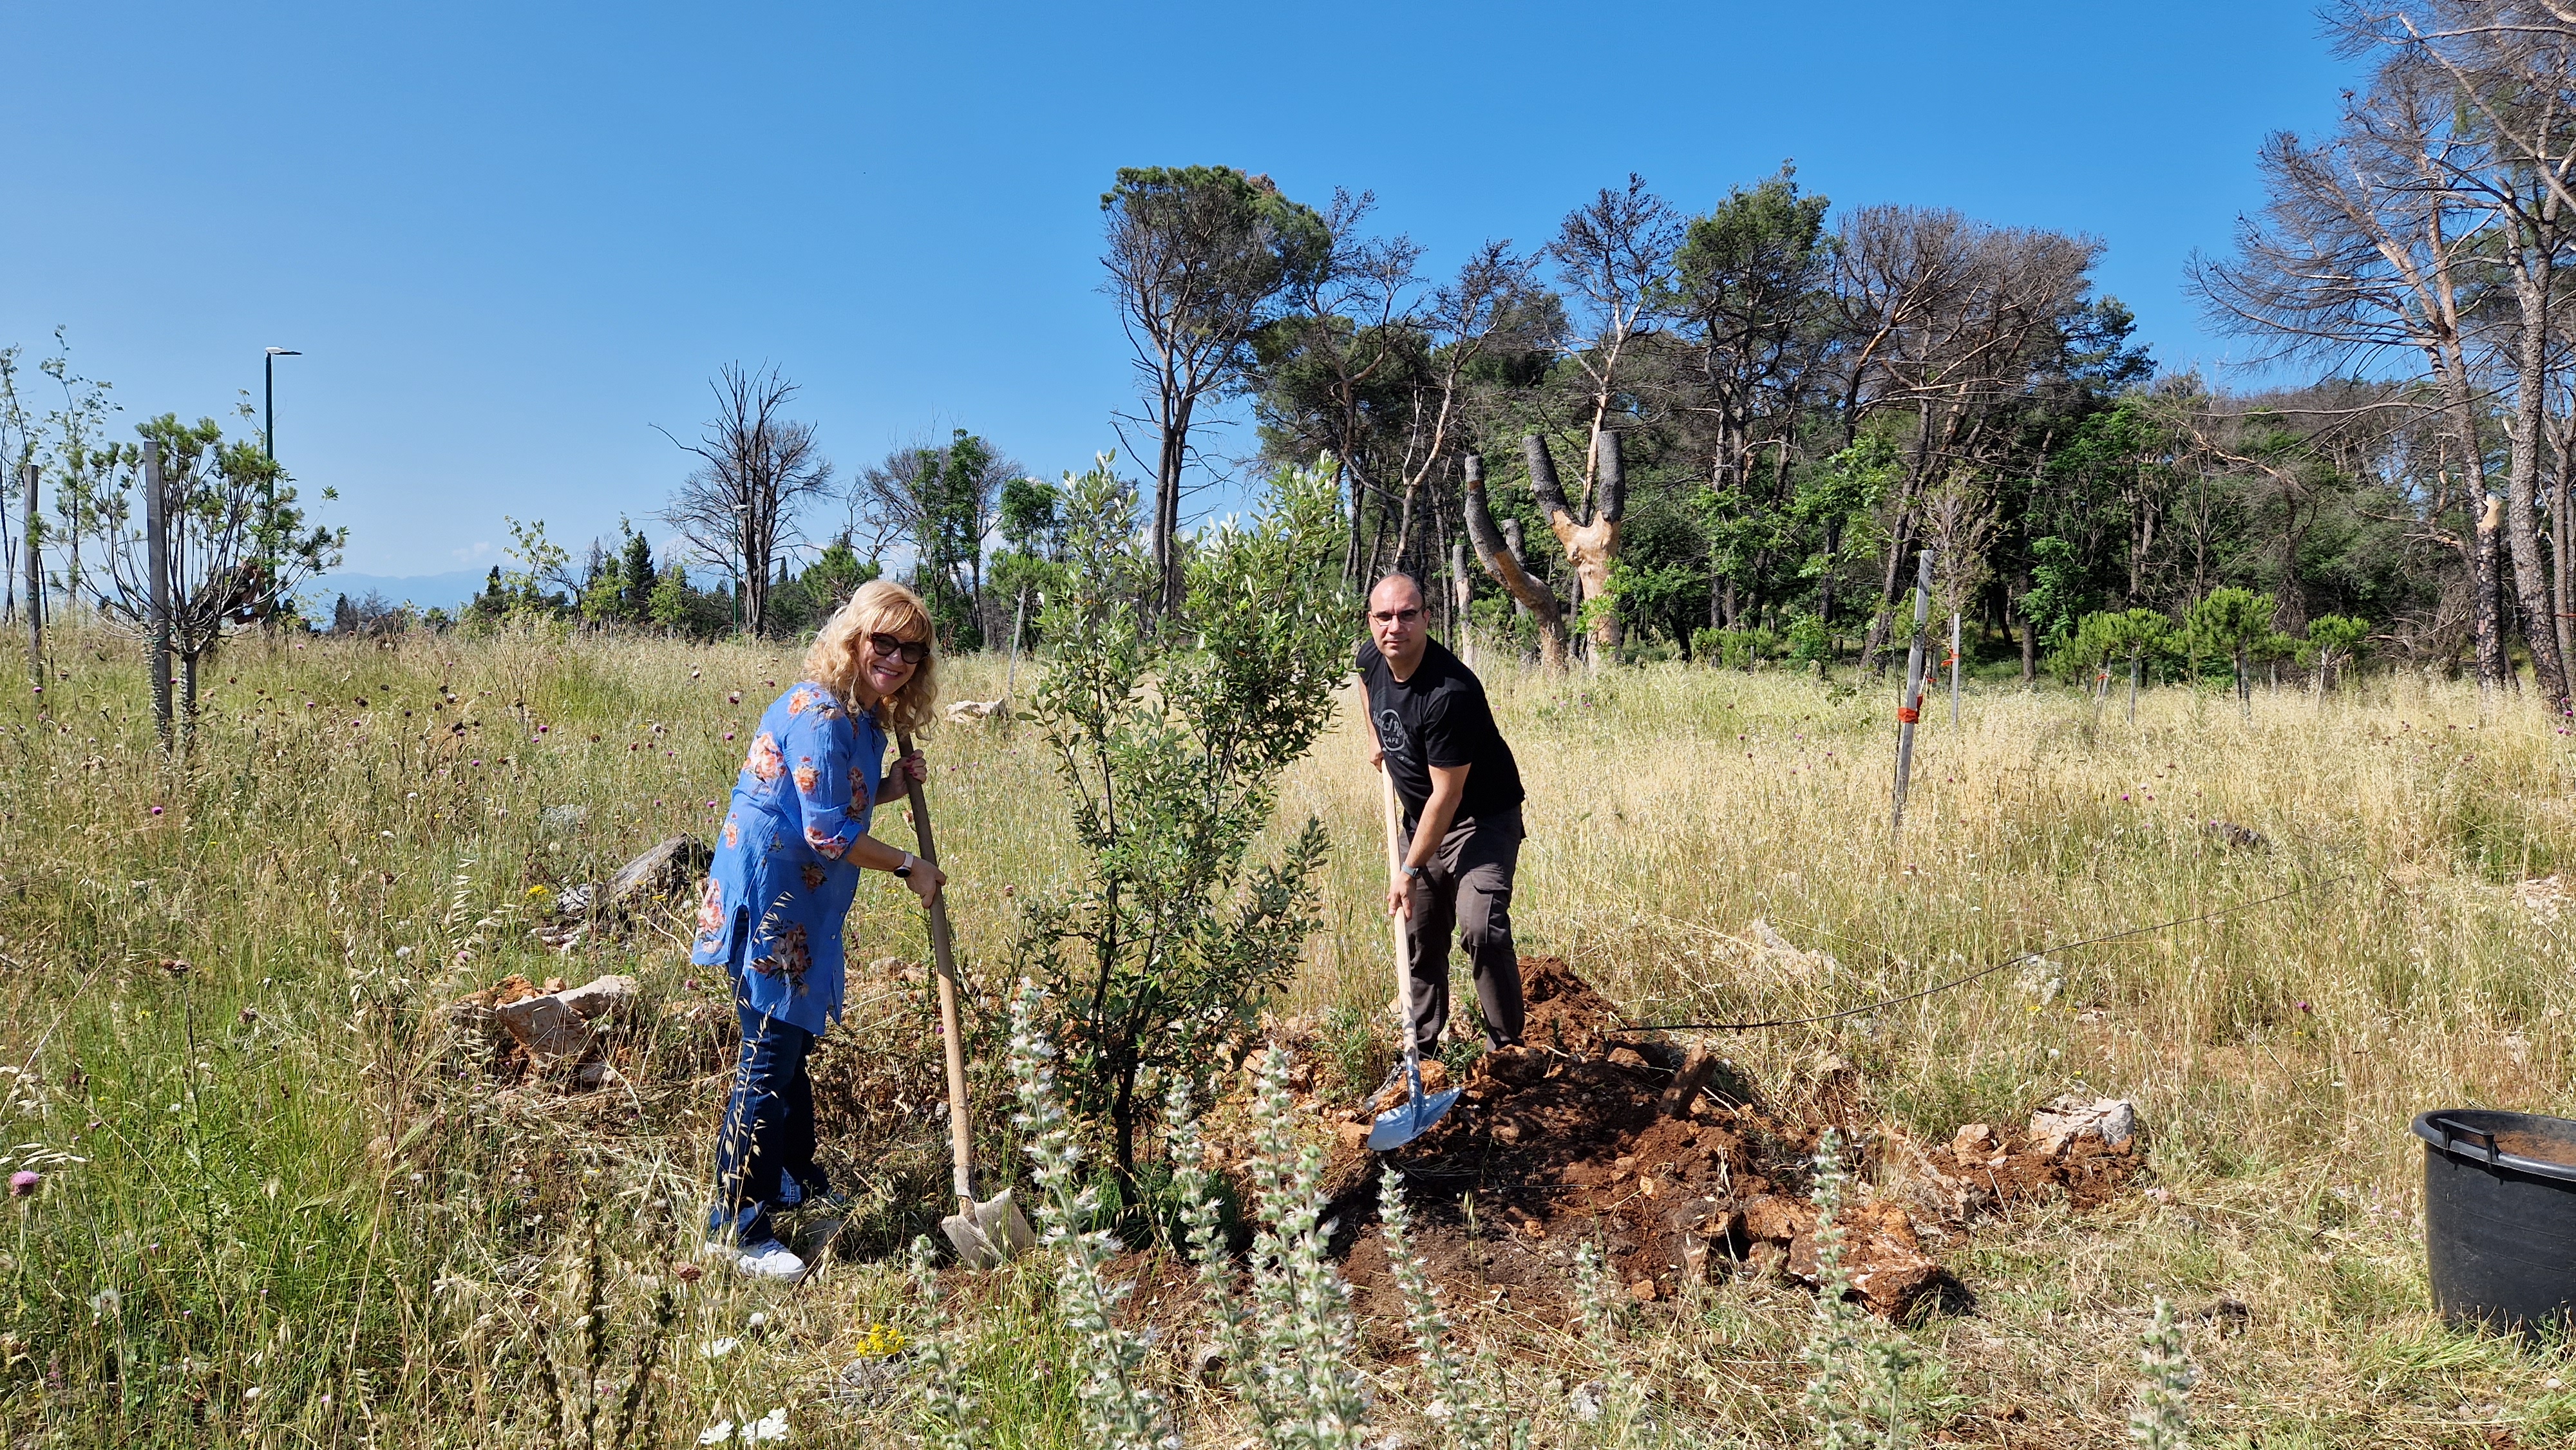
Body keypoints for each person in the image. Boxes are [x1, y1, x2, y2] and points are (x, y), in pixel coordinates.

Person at [692, 580, 947, 1281]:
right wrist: (910, 865)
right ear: (853, 639)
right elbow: (827, 831)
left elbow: (837, 797)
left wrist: (892, 786)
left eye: (911, 651)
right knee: (769, 1057)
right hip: (776, 898)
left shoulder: (864, 718)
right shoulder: (823, 712)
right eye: (882, 642)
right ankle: (735, 1226)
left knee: (788, 1044)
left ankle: (787, 1178)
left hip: (805, 902)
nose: (895, 659)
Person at [1358, 572, 1528, 1057]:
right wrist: (1374, 735)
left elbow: (1447, 797)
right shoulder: (1375, 655)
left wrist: (1409, 869)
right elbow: (1365, 680)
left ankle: (1507, 1050)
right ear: (1371, 621)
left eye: (1408, 615)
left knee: (1482, 926)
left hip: (1481, 821)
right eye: (1385, 616)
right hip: (1423, 819)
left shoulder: (1449, 693)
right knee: (1419, 934)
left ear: (1427, 618)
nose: (1396, 626)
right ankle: (1423, 1052)